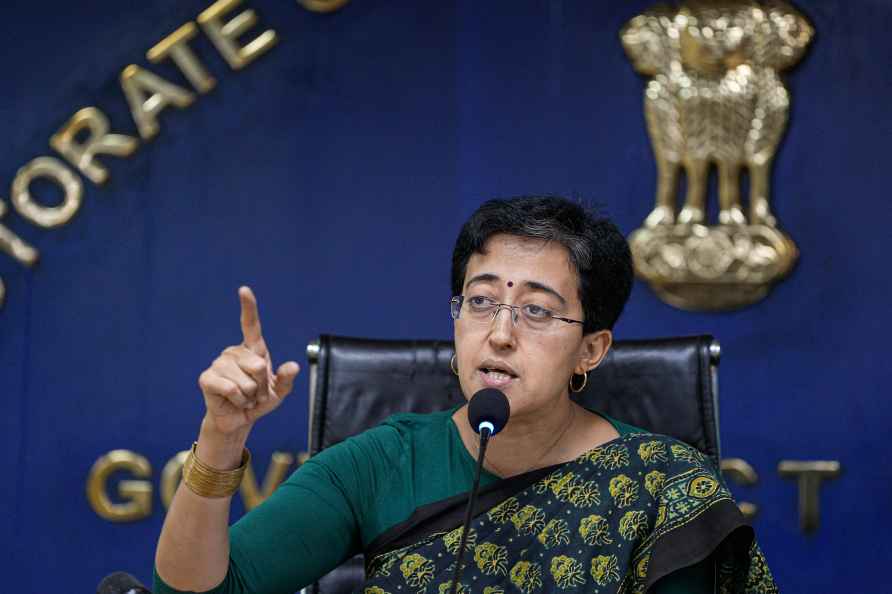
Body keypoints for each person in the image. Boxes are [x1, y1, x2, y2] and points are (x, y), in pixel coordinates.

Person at [154, 196, 777, 594]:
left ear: (591, 349)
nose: (499, 334)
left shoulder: (665, 487)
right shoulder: (382, 464)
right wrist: (223, 437)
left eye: (537, 311)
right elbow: (201, 591)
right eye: (480, 302)